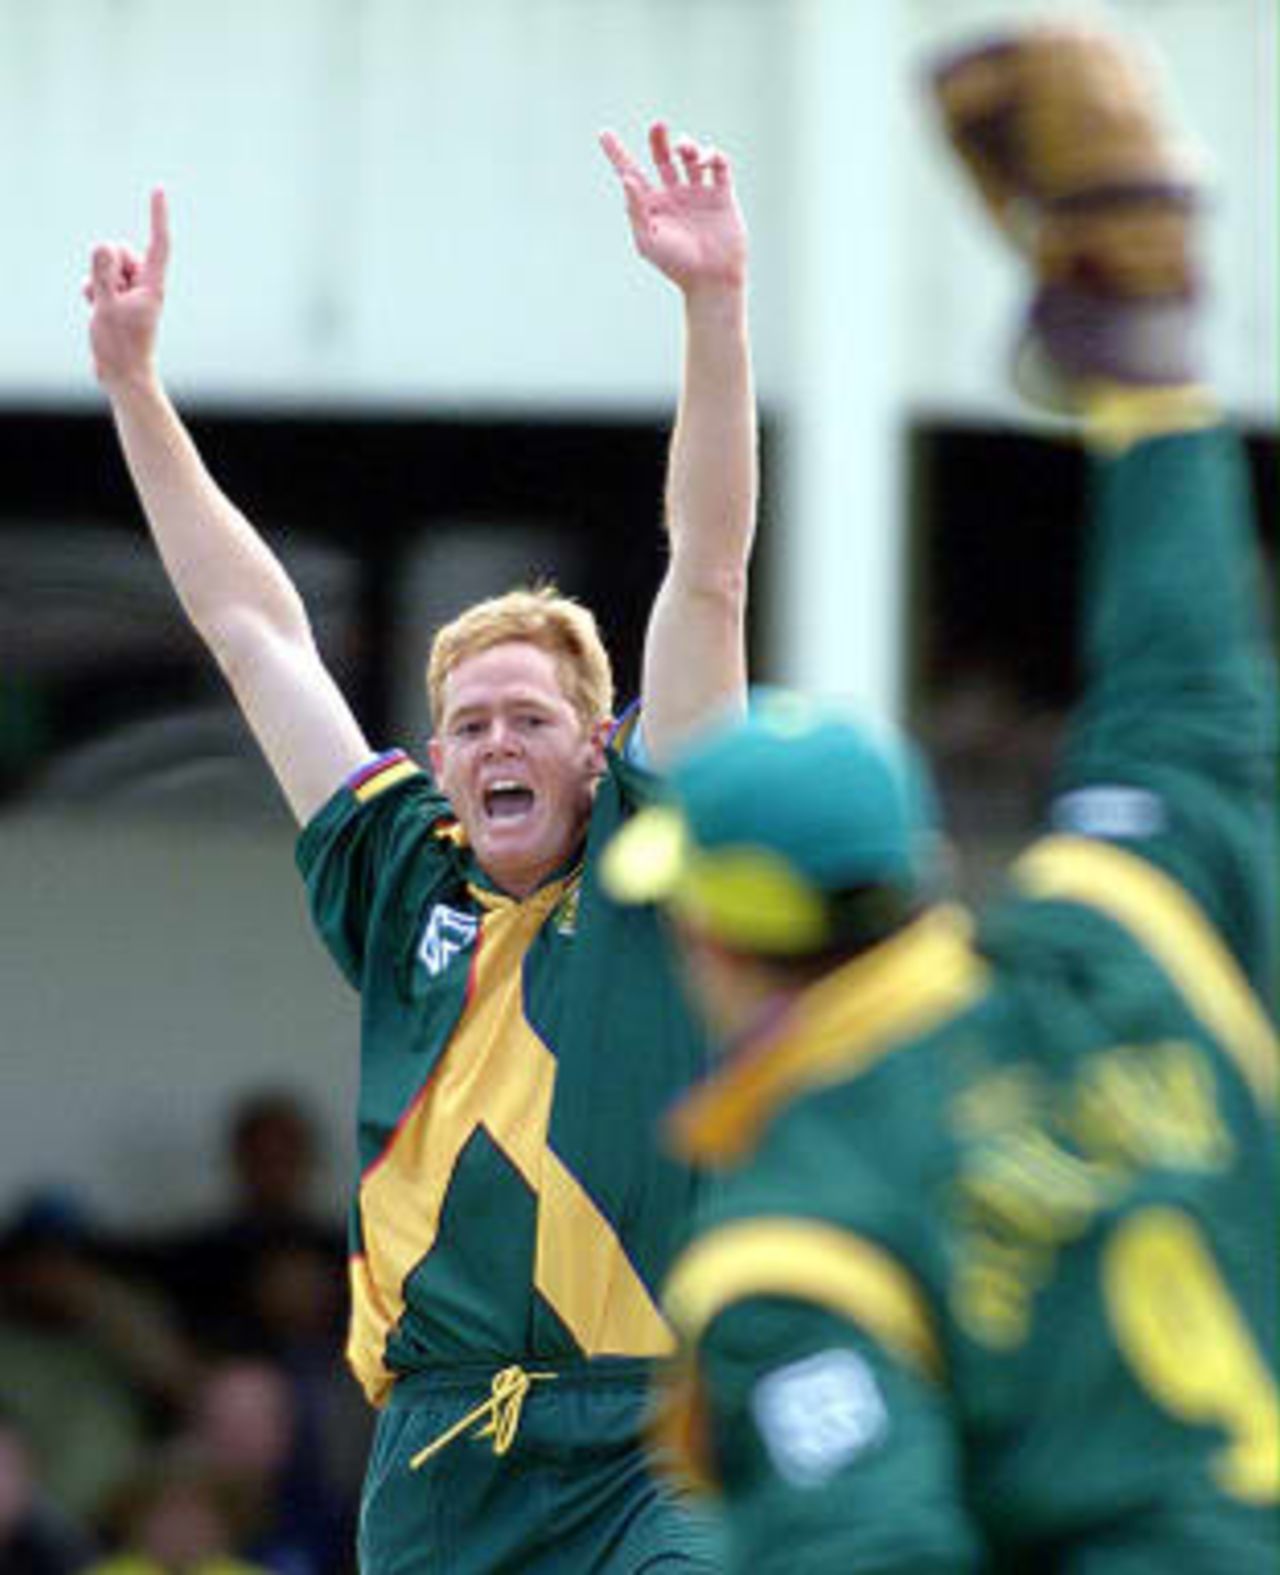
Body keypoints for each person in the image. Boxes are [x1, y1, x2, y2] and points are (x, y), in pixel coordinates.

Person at [602, 22, 1279, 1573]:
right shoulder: (1126, 949)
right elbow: (1191, 697)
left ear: (714, 939)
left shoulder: (797, 1226)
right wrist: (1156, 378)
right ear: (909, 875)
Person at [85, 119, 755, 1572]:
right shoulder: (402, 872)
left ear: (600, 745)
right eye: (469, 724)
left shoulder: (656, 857)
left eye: (530, 717)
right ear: (439, 761)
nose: (497, 741)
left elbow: (706, 573)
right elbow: (253, 626)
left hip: (649, 1442)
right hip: (443, 1452)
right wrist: (137, 389)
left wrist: (713, 305)